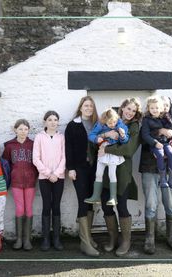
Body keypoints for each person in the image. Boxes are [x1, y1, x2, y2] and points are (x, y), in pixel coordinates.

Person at [139, 95, 172, 254]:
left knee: (170, 205)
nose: (164, 107)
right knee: (151, 204)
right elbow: (142, 139)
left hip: (168, 172)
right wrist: (159, 131)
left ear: (169, 107)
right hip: (149, 169)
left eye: (166, 104)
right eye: (161, 104)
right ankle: (150, 239)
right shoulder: (147, 121)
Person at [98, 97, 142, 257]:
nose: (130, 113)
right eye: (128, 108)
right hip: (105, 171)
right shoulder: (111, 120)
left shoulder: (135, 127)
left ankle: (126, 241)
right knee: (106, 205)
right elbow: (98, 138)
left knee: (121, 206)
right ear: (122, 108)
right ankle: (113, 238)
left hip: (122, 172)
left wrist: (108, 150)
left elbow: (129, 149)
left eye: (133, 110)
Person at [65, 96, 100, 257]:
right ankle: (84, 243)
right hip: (79, 169)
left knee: (91, 202)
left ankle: (88, 237)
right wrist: (70, 168)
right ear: (80, 107)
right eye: (86, 106)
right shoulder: (73, 126)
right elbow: (68, 149)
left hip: (94, 168)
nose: (88, 108)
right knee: (83, 201)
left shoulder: (97, 124)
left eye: (91, 106)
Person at [2, 119, 38, 251]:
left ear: (29, 130)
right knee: (19, 208)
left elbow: (37, 162)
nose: (23, 132)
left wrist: (35, 175)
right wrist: (9, 176)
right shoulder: (9, 146)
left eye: (26, 129)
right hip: (16, 181)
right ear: (15, 130)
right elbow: (5, 164)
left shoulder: (33, 144)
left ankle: (27, 239)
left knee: (29, 208)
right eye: (20, 129)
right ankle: (19, 239)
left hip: (30, 182)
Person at [33, 111, 66, 251]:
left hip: (59, 177)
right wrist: (48, 173)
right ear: (45, 122)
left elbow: (64, 157)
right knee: (46, 205)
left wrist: (57, 173)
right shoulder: (39, 137)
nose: (53, 122)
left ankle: (56, 239)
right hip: (44, 178)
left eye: (55, 120)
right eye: (50, 120)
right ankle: (46, 239)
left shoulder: (61, 137)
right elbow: (36, 158)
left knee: (56, 206)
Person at [84, 108, 129, 206]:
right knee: (98, 173)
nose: (112, 125)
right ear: (105, 121)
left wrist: (122, 135)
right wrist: (97, 138)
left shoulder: (120, 125)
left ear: (117, 119)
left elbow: (125, 141)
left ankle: (113, 198)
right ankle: (95, 196)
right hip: (102, 152)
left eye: (114, 122)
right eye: (109, 123)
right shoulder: (100, 124)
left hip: (113, 153)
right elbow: (91, 135)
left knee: (111, 174)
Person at [141, 95, 172, 189]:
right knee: (160, 154)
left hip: (165, 143)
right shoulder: (146, 120)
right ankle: (162, 179)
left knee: (171, 153)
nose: (154, 110)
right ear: (148, 108)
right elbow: (145, 135)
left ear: (161, 108)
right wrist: (155, 142)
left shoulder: (165, 118)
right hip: (155, 145)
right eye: (152, 108)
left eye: (157, 107)